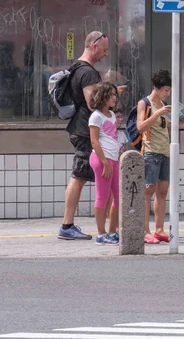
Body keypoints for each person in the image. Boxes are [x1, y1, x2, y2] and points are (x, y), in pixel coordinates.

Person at [59, 31, 115, 241]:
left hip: (81, 128)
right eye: (104, 49)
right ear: (93, 46)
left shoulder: (76, 68)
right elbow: (94, 104)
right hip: (86, 131)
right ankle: (68, 225)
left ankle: (107, 226)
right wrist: (111, 96)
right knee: (79, 176)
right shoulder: (88, 73)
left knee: (94, 177)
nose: (105, 54)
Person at [136, 69, 173, 244]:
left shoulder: (164, 105)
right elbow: (140, 127)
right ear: (157, 88)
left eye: (169, 89)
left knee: (162, 192)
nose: (168, 93)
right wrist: (158, 113)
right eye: (166, 89)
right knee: (147, 192)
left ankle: (159, 229)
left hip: (165, 152)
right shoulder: (145, 103)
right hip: (150, 152)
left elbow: (167, 130)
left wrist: (179, 122)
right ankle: (145, 230)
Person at [88, 82, 120, 245]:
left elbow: (112, 136)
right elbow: (94, 141)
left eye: (115, 95)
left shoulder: (112, 115)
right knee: (102, 196)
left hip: (113, 159)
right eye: (111, 95)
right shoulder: (96, 116)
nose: (114, 98)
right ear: (102, 96)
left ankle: (112, 231)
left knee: (118, 196)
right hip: (102, 159)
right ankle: (101, 234)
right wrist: (104, 162)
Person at [118, 15, 147, 112]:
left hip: (147, 86)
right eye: (140, 26)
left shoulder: (150, 47)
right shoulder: (126, 48)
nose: (142, 29)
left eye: (143, 25)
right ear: (133, 28)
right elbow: (120, 69)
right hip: (131, 89)